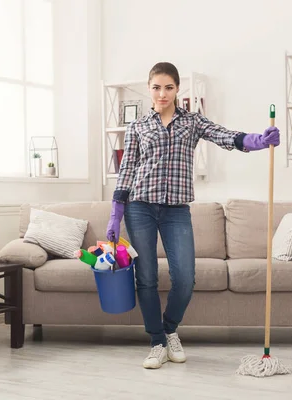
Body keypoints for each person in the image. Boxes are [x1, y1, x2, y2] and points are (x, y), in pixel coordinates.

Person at [106, 62, 280, 369]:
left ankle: (170, 329)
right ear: (149, 88)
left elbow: (224, 135)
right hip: (140, 207)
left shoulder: (192, 122)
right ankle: (157, 341)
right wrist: (116, 213)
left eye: (169, 87)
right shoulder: (137, 127)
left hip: (176, 210)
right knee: (145, 278)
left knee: (185, 279)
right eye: (156, 87)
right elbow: (127, 171)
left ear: (177, 89)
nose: (162, 94)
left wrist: (258, 141)